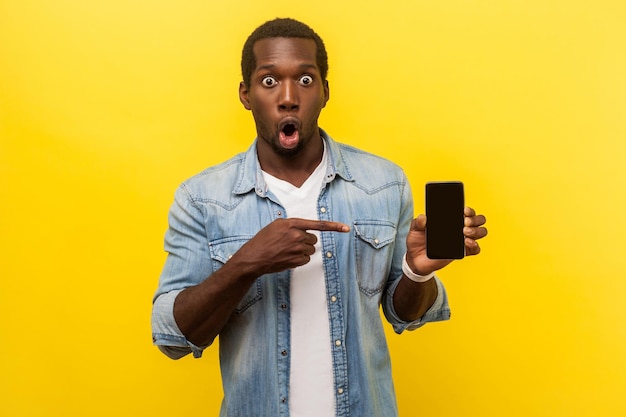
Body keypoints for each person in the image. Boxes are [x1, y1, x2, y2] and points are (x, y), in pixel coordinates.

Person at [151, 17, 487, 417]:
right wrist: (247, 263)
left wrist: (417, 272)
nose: (289, 97)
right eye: (270, 81)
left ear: (325, 91)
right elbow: (174, 338)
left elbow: (405, 313)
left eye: (306, 80)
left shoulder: (383, 183)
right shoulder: (202, 198)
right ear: (245, 93)